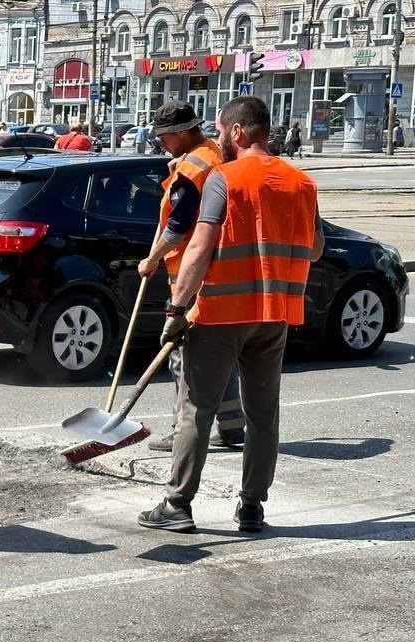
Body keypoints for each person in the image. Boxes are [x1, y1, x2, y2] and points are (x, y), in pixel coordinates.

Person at [138, 96, 324, 535]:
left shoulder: (225, 178)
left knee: (196, 410)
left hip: (221, 313)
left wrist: (177, 307)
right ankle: (253, 507)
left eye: (221, 130)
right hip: (274, 313)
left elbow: (199, 247)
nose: (217, 138)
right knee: (263, 414)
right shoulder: (302, 183)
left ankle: (178, 505)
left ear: (238, 131)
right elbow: (316, 249)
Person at [135, 100, 243, 454]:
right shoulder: (212, 152)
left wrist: (151, 259)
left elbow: (178, 227)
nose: (160, 142)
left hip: (191, 274)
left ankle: (182, 432)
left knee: (183, 356)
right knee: (219, 353)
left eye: (164, 136)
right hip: (219, 270)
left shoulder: (193, 169)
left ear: (182, 133)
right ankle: (232, 425)